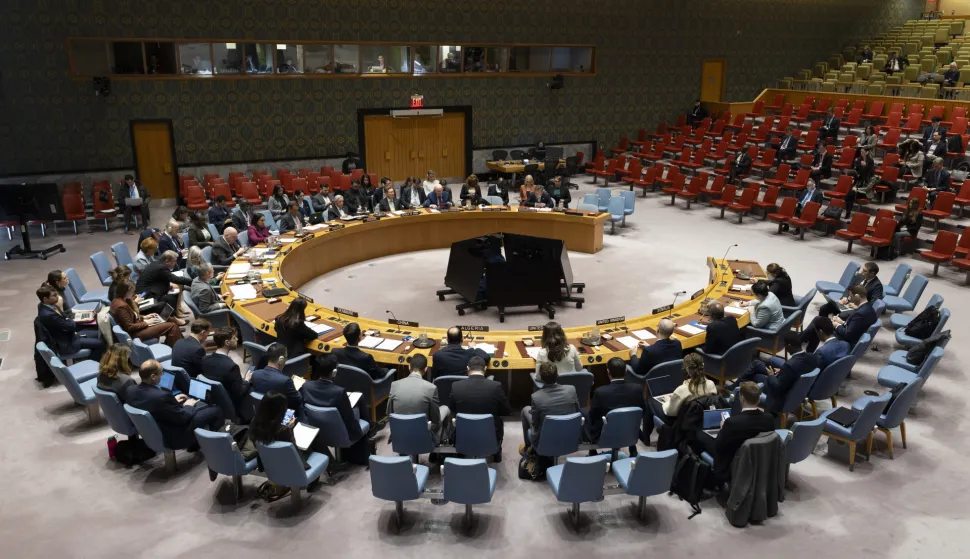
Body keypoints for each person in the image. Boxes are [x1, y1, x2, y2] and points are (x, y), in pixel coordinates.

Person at [124, 360, 223, 450]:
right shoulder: (161, 396)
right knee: (216, 410)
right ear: (153, 377)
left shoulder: (130, 390)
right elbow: (183, 418)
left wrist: (172, 401)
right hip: (174, 436)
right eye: (161, 373)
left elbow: (153, 405)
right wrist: (188, 405)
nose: (162, 375)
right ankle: (213, 447)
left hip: (153, 430)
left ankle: (199, 443)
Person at [708, 382, 775, 484]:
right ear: (759, 399)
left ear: (741, 398)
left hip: (733, 466)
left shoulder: (732, 423)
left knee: (701, 437)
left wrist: (722, 428)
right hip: (760, 463)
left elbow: (719, 446)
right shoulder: (769, 419)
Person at [449, 356, 511, 462]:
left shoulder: (456, 386)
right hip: (489, 435)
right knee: (499, 419)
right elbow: (507, 411)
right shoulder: (496, 386)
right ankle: (496, 452)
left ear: (468, 368)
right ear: (485, 368)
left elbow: (452, 408)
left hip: (463, 434)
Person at [738, 339, 817, 412]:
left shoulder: (790, 365)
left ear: (789, 346)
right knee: (757, 364)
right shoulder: (812, 357)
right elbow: (798, 370)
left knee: (753, 375)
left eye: (785, 345)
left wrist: (771, 375)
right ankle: (736, 389)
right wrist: (782, 370)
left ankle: (735, 393)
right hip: (790, 385)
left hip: (778, 395)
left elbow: (777, 387)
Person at [587, 357, 646, 455]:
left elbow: (593, 415)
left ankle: (592, 452)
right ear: (626, 371)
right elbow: (643, 410)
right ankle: (632, 448)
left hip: (607, 433)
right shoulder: (637, 389)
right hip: (631, 431)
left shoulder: (600, 392)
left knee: (587, 417)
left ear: (608, 372)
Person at [388, 354, 450, 444]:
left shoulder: (394, 385)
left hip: (401, 431)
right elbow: (436, 419)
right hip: (423, 432)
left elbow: (389, 413)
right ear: (426, 369)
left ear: (409, 367)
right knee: (445, 408)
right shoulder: (431, 388)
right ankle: (439, 442)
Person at [300, 354, 364, 440]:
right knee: (358, 402)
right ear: (334, 372)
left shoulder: (306, 386)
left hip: (318, 430)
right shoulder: (339, 392)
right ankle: (368, 433)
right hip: (340, 433)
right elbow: (349, 418)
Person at [36, 285, 105, 361]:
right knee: (101, 343)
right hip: (67, 344)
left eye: (56, 294)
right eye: (54, 295)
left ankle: (88, 358)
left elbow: (65, 318)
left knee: (100, 333)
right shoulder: (49, 314)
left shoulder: (46, 305)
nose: (57, 297)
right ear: (45, 299)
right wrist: (67, 316)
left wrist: (67, 319)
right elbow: (71, 326)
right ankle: (92, 362)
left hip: (70, 335)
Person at [249, 391, 310, 476]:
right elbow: (293, 450)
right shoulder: (284, 430)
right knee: (313, 443)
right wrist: (290, 429)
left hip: (266, 462)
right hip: (290, 465)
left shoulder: (254, 422)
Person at [521, 363, 580, 450]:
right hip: (569, 437)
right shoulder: (571, 390)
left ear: (541, 378)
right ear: (557, 375)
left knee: (525, 410)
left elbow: (535, 423)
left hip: (544, 441)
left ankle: (529, 449)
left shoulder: (536, 397)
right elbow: (578, 411)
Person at [802, 285, 875, 351]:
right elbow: (855, 326)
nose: (850, 300)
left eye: (851, 297)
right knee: (818, 320)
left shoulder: (860, 313)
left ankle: (802, 341)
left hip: (844, 339)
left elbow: (848, 334)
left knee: (818, 325)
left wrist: (837, 325)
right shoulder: (868, 308)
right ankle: (804, 342)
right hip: (849, 332)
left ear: (857, 296)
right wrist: (842, 322)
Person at [110, 280, 183, 345]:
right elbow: (130, 327)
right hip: (136, 333)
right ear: (127, 291)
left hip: (138, 326)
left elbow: (131, 315)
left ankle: (173, 340)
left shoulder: (119, 300)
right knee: (172, 326)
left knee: (164, 319)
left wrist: (145, 317)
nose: (134, 294)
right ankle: (178, 347)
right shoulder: (121, 306)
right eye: (132, 291)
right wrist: (147, 323)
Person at [201, 327, 251, 410]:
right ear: (227, 342)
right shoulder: (232, 367)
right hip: (230, 405)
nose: (237, 339)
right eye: (234, 338)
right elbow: (240, 393)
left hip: (213, 399)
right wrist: (247, 380)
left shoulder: (204, 360)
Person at [250, 343, 304, 417]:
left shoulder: (255, 374)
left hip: (260, 414)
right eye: (286, 357)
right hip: (278, 416)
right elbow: (297, 401)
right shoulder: (285, 381)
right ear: (281, 360)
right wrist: (297, 389)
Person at [845, 147, 876, 218]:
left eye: (863, 152)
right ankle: (848, 212)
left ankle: (848, 212)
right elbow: (856, 170)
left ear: (867, 152)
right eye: (861, 152)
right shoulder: (858, 160)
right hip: (858, 182)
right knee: (849, 194)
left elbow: (871, 173)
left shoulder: (870, 161)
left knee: (851, 193)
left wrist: (866, 166)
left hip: (865, 187)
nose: (861, 153)